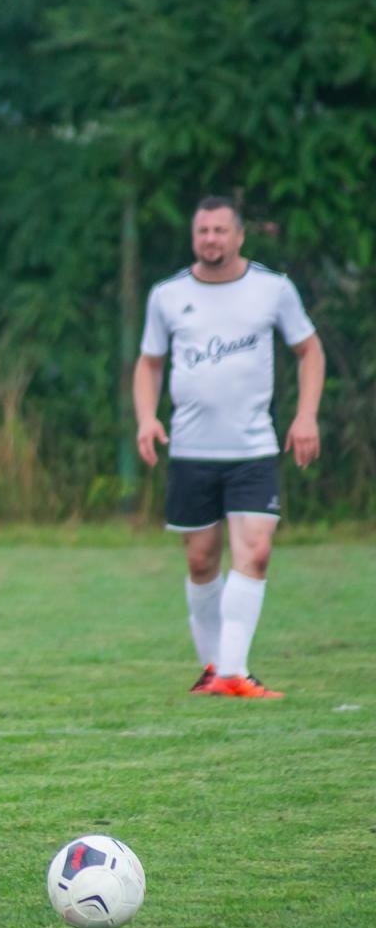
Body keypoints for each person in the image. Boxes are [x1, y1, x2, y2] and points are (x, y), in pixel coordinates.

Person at [135, 195, 324, 699]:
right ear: (193, 238)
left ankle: (234, 673)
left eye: (220, 230)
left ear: (239, 235)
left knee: (256, 552)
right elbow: (149, 362)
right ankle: (214, 670)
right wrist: (147, 418)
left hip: (253, 450)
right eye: (203, 231)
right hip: (192, 451)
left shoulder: (272, 289)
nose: (211, 239)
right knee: (201, 562)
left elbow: (309, 350)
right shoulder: (168, 295)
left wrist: (306, 415)